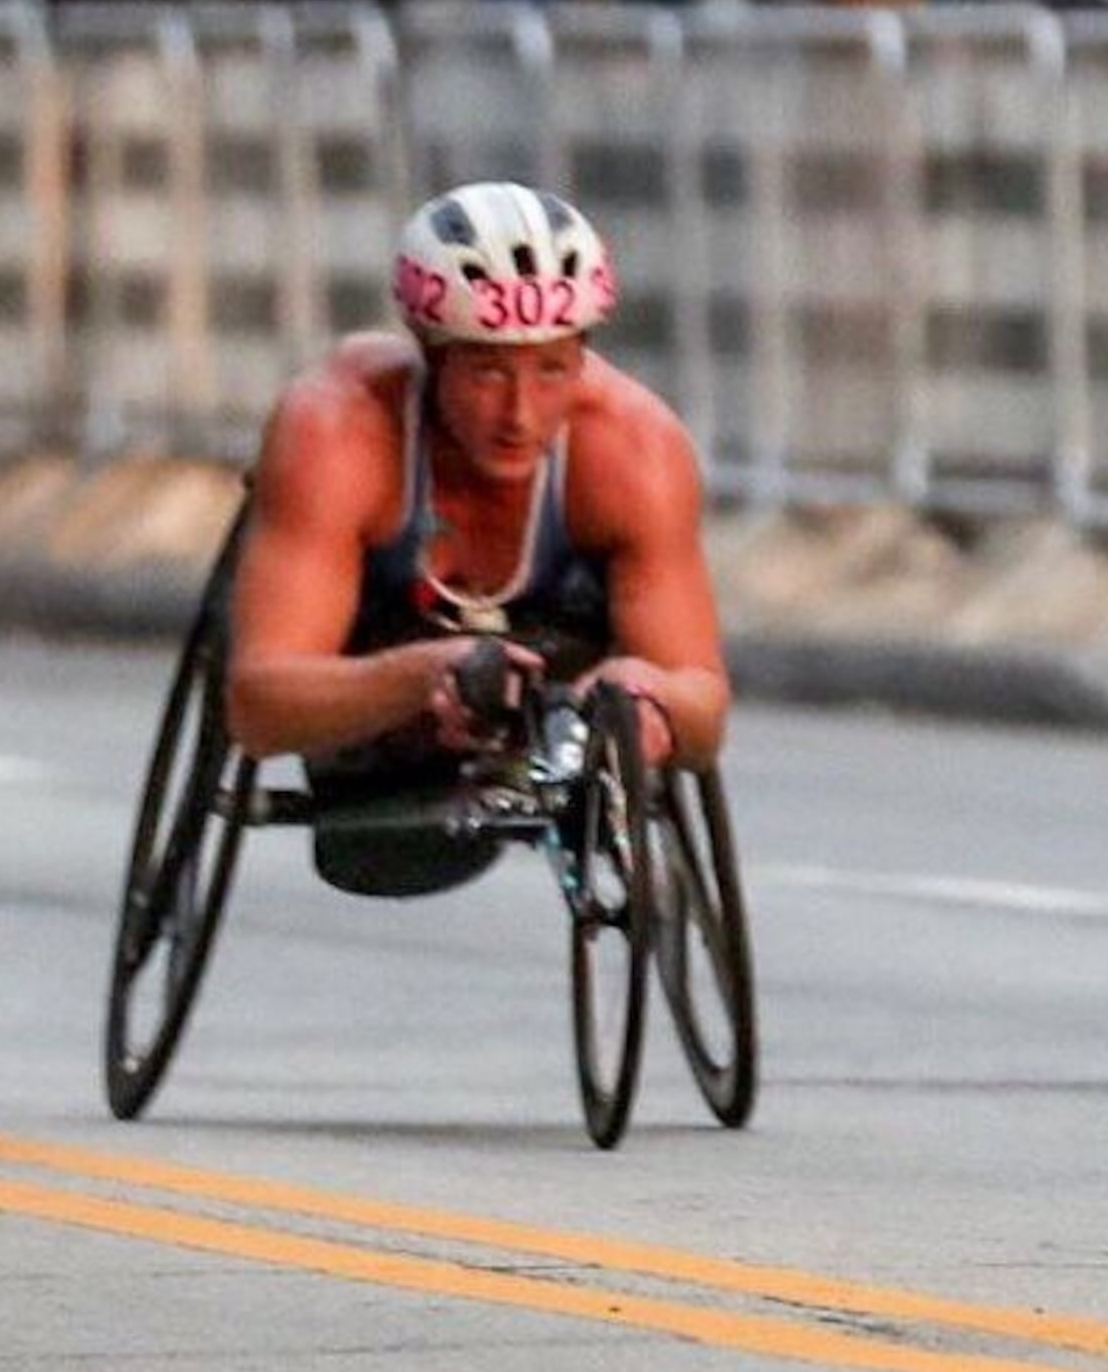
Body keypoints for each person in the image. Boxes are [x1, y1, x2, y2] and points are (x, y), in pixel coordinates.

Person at [224, 181, 730, 894]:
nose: (520, 414)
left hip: (555, 645)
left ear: (583, 354)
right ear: (432, 354)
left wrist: (652, 699)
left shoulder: (636, 452)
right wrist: (426, 674)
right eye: (489, 371)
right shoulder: (336, 432)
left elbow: (705, 711)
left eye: (552, 369)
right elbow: (257, 707)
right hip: (382, 649)